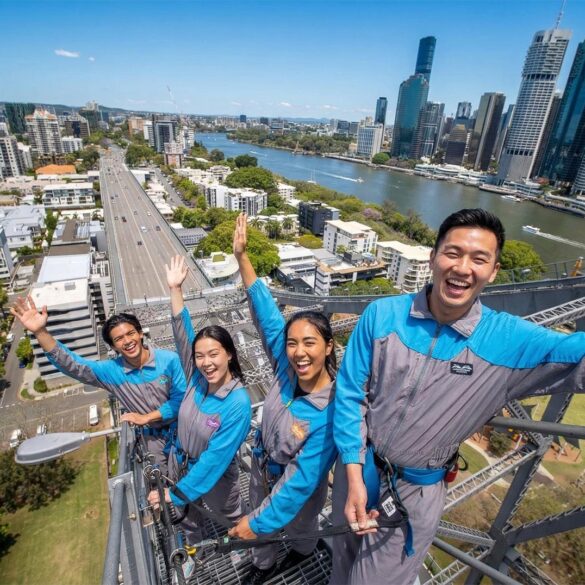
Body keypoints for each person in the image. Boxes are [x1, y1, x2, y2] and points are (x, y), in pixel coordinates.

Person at [330, 208, 585, 585]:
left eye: (479, 259)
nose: (463, 268)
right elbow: (351, 395)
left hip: (414, 492)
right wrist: (352, 470)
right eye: (453, 253)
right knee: (340, 560)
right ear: (433, 257)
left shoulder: (509, 340)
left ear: (494, 271)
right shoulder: (381, 315)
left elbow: (577, 355)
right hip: (358, 467)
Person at [228, 213, 338, 585]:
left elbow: (299, 483)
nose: (298, 352)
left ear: (328, 347)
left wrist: (258, 523)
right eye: (292, 344)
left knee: (301, 526)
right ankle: (264, 566)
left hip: (299, 490)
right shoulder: (286, 368)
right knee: (262, 532)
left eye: (309, 343)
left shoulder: (330, 410)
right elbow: (268, 315)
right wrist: (242, 258)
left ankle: (302, 552)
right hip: (263, 470)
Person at [11, 298, 186, 473]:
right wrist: (40, 332)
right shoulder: (112, 371)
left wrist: (146, 417)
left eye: (131, 333)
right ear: (113, 346)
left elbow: (181, 400)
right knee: (163, 481)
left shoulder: (169, 360)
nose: (127, 341)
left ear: (140, 334)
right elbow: (74, 366)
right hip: (152, 441)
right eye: (119, 339)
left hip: (183, 429)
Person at [147, 255, 251, 548]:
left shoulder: (237, 403)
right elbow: (183, 335)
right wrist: (175, 289)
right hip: (180, 465)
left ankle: (246, 550)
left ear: (229, 354)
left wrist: (176, 492)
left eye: (214, 354)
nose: (206, 362)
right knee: (187, 518)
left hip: (216, 478)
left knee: (229, 517)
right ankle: (192, 552)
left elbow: (215, 459)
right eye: (200, 356)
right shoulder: (196, 378)